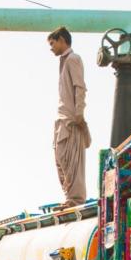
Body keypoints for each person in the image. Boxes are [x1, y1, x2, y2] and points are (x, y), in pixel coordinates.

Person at [49, 26, 91, 208]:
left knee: (71, 158)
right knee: (60, 157)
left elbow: (79, 87)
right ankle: (69, 196)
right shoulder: (64, 61)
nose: (51, 48)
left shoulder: (73, 59)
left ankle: (75, 198)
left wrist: (79, 114)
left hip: (70, 119)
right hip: (62, 117)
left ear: (62, 40)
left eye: (52, 43)